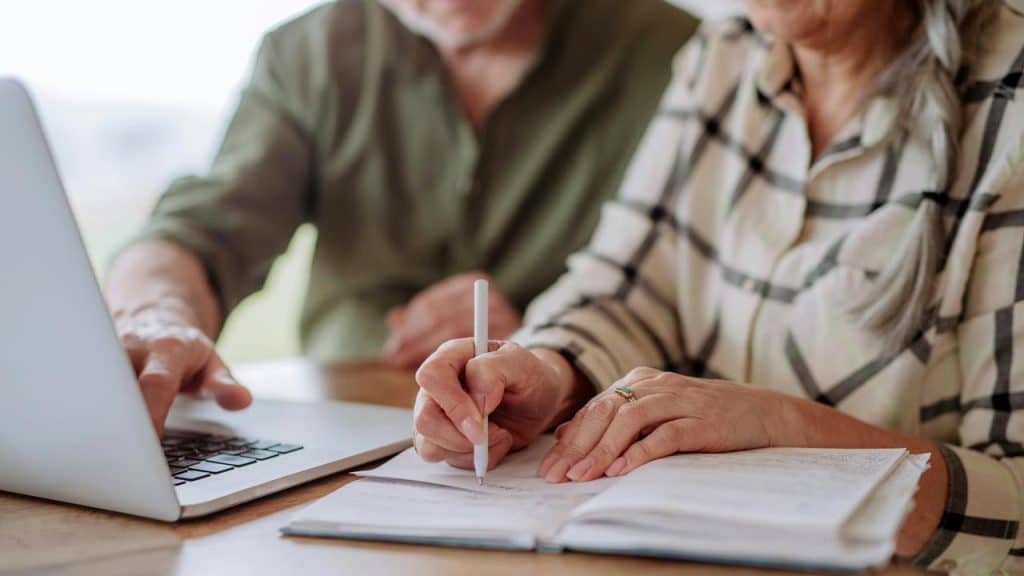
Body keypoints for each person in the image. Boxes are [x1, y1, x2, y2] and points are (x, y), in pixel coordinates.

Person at [412, 0, 1024, 572]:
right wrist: (545, 376)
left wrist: (783, 426)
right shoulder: (723, 54)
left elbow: (1015, 502)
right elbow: (622, 289)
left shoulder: (1010, 103)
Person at [104, 0, 698, 433]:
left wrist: (545, 333)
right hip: (334, 431)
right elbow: (204, 230)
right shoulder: (309, 52)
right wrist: (156, 313)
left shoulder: (680, 56)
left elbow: (701, 303)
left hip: (567, 435)